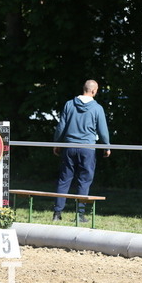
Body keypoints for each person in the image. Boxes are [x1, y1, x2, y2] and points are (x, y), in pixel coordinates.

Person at [52, 80, 111, 222]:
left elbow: (61, 127)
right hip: (87, 148)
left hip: (69, 147)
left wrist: (56, 143)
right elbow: (103, 130)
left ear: (83, 88)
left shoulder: (69, 104)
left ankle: (57, 213)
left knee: (64, 180)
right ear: (94, 91)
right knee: (84, 181)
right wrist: (107, 146)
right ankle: (80, 215)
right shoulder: (97, 108)